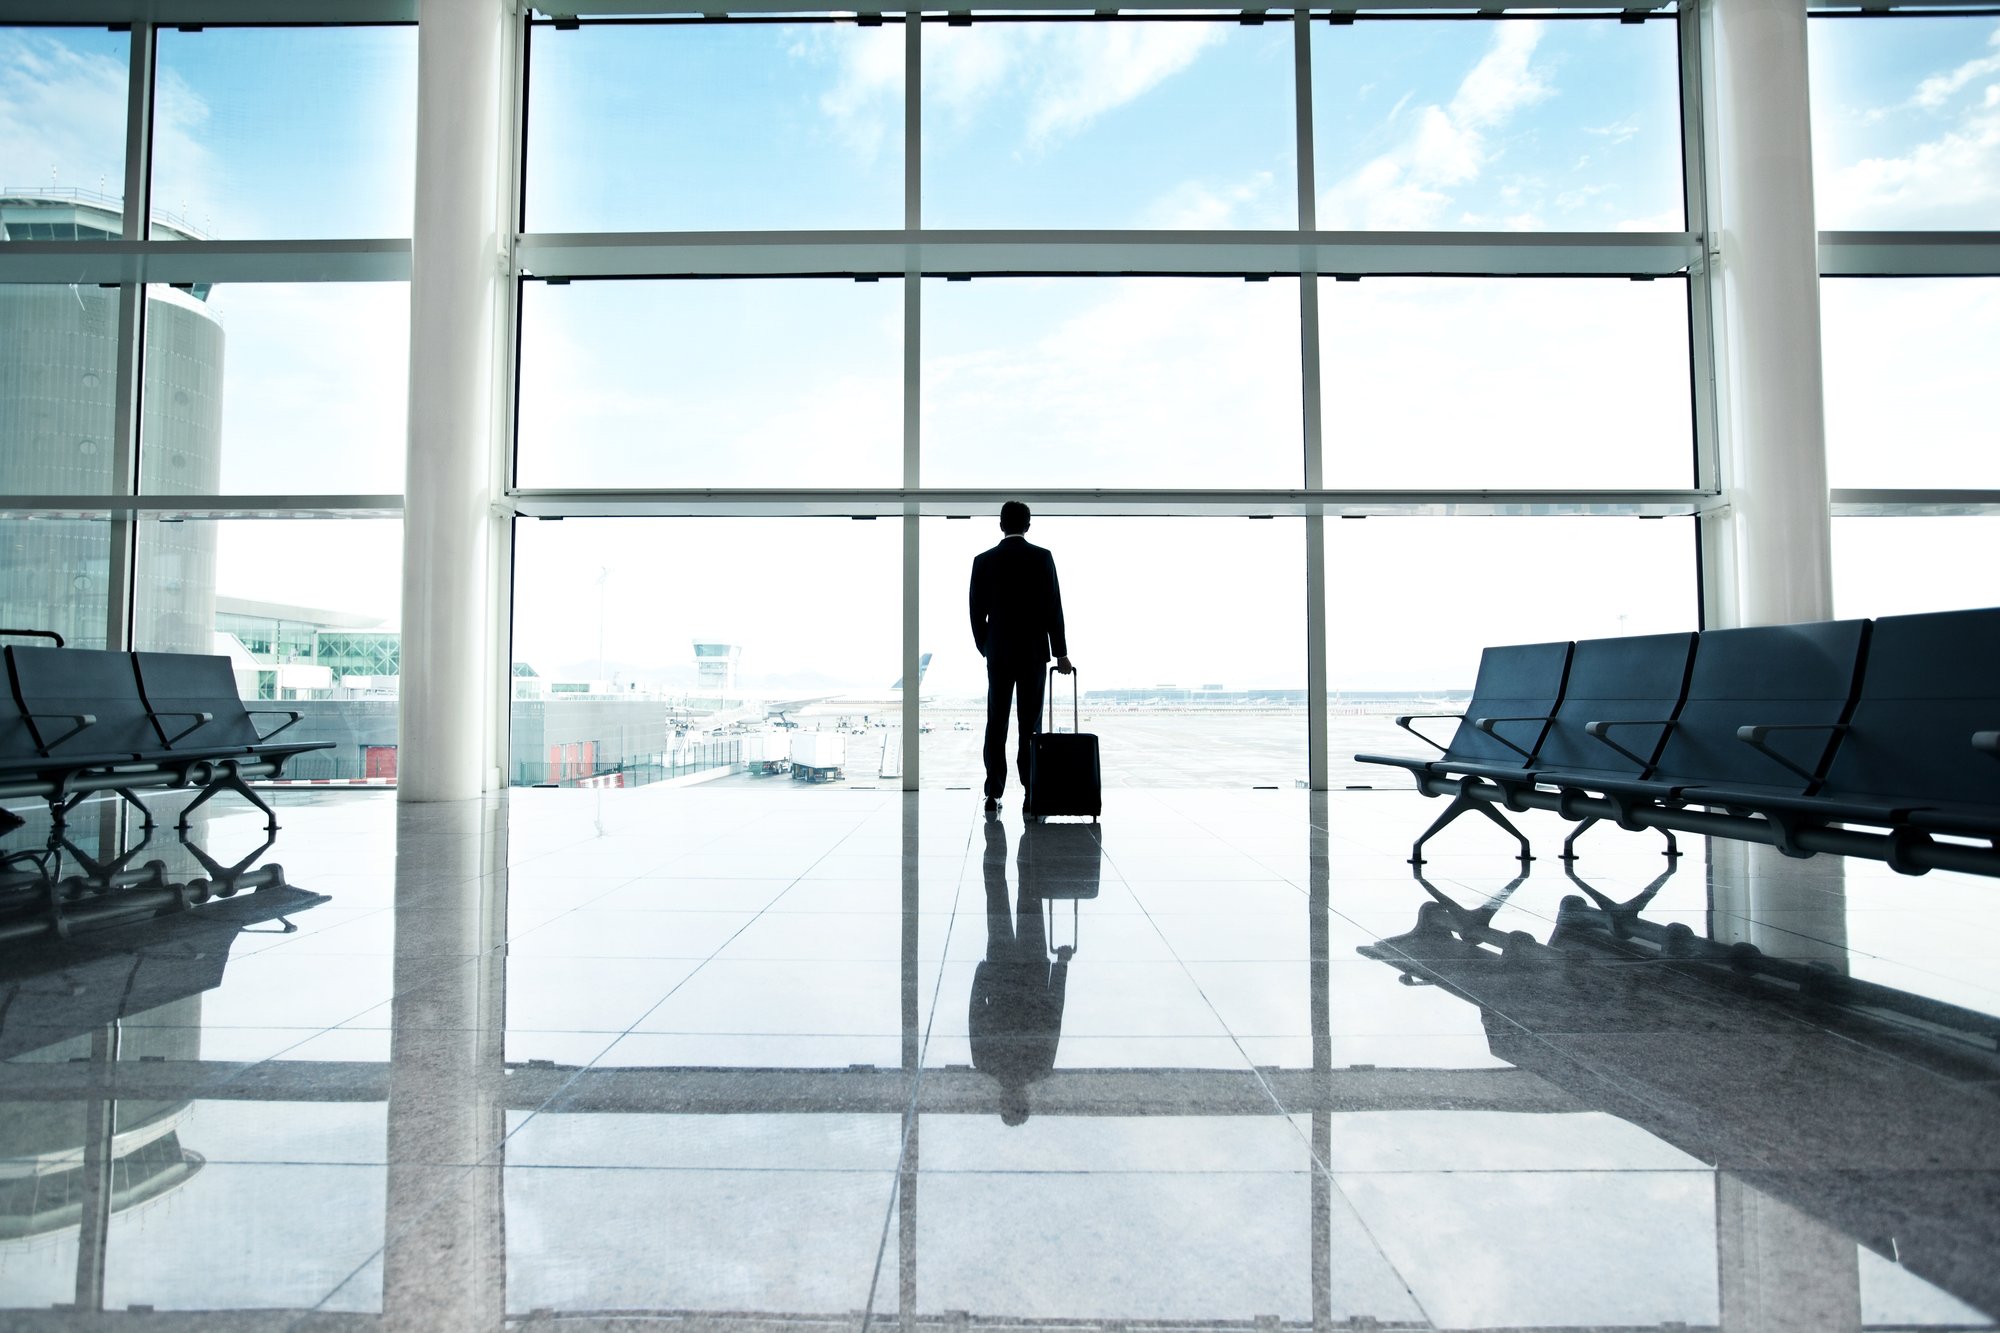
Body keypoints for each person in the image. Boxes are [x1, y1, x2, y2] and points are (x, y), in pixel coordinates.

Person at [968, 501, 1073, 813]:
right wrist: (1061, 653)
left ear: (1001, 525)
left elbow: (976, 612)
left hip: (998, 652)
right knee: (1031, 726)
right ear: (1028, 525)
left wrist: (986, 645)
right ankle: (1031, 792)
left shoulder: (983, 561)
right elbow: (1054, 608)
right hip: (1033, 653)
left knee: (996, 723)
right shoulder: (1042, 558)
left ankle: (993, 793)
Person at [968, 815, 1073, 1125]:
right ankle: (998, 840)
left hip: (1031, 969)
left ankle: (1027, 836)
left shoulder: (1040, 1067)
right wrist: (981, 977)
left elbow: (1054, 1014)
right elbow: (975, 1015)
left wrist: (1061, 968)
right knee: (998, 896)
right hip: (1002, 971)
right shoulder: (986, 1063)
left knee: (1028, 895)